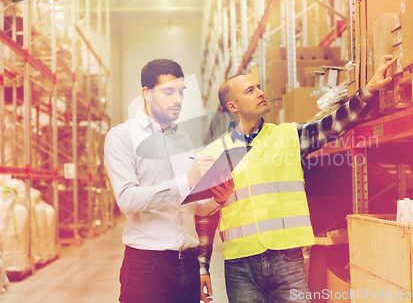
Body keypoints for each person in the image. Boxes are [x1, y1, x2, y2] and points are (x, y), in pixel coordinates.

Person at [197, 56, 397, 303]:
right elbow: (203, 215)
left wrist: (369, 91)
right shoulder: (215, 153)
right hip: (240, 266)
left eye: (259, 87)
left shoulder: (289, 135)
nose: (260, 92)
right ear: (232, 106)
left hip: (288, 260)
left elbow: (335, 124)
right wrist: (202, 266)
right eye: (251, 90)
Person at [104, 59, 232, 303]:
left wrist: (217, 198)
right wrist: (187, 180)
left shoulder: (182, 140)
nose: (178, 100)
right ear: (147, 94)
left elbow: (191, 205)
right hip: (148, 266)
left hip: (188, 264)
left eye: (182, 91)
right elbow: (127, 200)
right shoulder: (121, 137)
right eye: (169, 91)